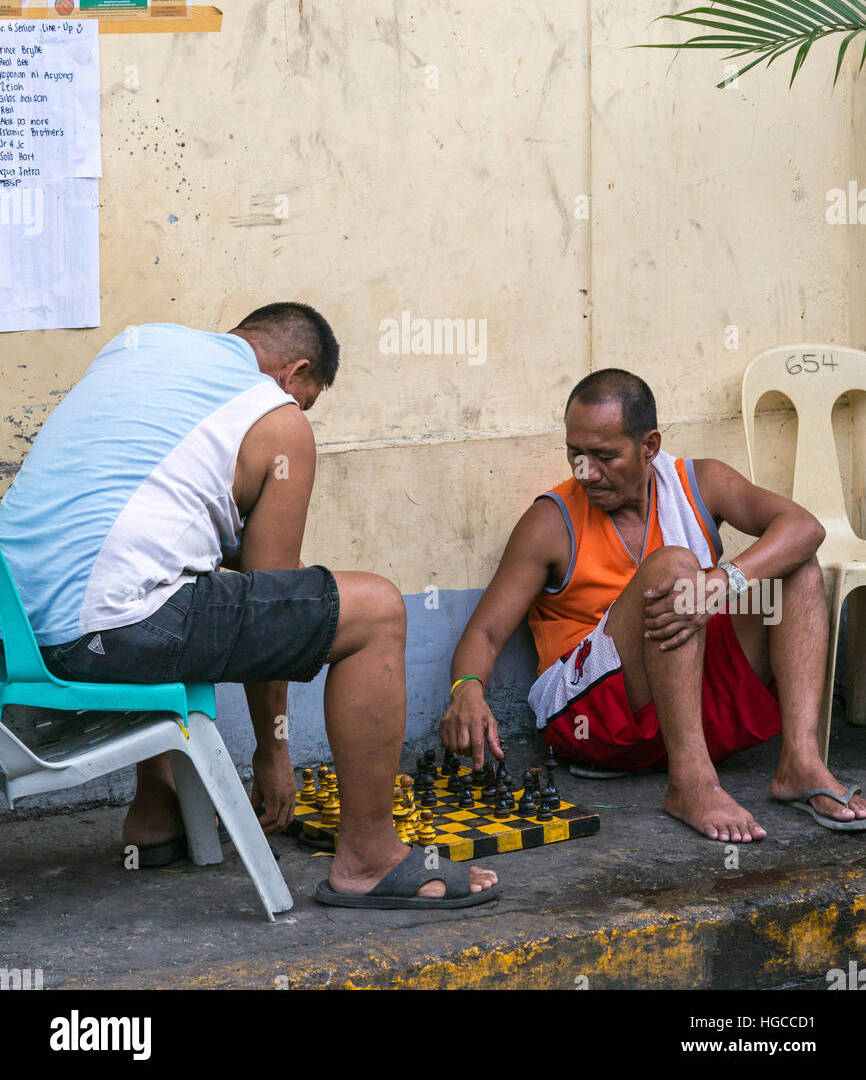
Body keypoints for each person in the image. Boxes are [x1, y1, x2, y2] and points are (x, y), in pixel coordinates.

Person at [0, 304, 498, 908]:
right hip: (106, 629)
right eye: (306, 399)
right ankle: (369, 857)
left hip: (18, 633)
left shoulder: (137, 345)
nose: (299, 412)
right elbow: (270, 590)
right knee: (377, 611)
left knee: (181, 577)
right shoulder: (276, 417)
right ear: (296, 374)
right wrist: (273, 749)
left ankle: (156, 815)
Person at [441, 368, 866, 842]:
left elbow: (804, 527)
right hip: (591, 721)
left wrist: (722, 582)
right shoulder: (550, 520)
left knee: (797, 568)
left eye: (604, 456)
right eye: (575, 454)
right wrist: (467, 690)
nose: (586, 472)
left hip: (686, 705)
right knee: (673, 569)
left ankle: (801, 762)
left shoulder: (697, 482)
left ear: (649, 446)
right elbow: (485, 632)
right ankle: (691, 782)